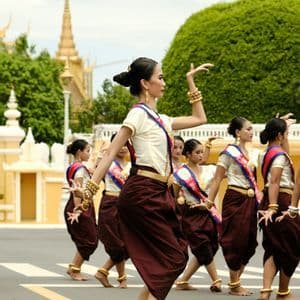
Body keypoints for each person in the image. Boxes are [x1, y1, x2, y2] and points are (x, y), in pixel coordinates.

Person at [72, 57, 213, 300]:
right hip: (142, 192)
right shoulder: (137, 114)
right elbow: (111, 153)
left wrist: (191, 82)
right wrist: (90, 188)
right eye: (160, 77)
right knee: (173, 257)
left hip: (161, 192)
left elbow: (200, 119)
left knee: (177, 254)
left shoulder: (163, 120)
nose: (164, 82)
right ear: (145, 84)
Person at [205, 116, 261, 296]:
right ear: (238, 132)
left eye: (252, 129)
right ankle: (234, 284)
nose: (251, 132)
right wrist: (210, 201)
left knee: (250, 242)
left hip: (251, 201)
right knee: (235, 240)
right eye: (248, 129)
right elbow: (217, 179)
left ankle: (235, 281)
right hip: (235, 198)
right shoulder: (228, 153)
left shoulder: (253, 152)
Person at [258, 116, 300, 300]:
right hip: (281, 200)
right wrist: (274, 207)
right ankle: (283, 292)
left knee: (272, 246)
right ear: (279, 135)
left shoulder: (266, 153)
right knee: (290, 248)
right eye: (286, 134)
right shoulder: (279, 156)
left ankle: (266, 291)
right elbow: (275, 181)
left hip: (268, 199)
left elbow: (286, 157)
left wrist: (283, 128)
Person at [173, 139, 222, 292]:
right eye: (197, 152)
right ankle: (217, 280)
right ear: (188, 154)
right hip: (191, 215)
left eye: (202, 152)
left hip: (208, 213)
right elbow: (172, 197)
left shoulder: (209, 170)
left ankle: (183, 281)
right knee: (202, 246)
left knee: (211, 247)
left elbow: (224, 175)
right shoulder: (180, 174)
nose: (201, 155)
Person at [96, 133, 130, 288]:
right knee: (117, 243)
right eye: (120, 143)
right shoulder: (107, 162)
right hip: (110, 203)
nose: (123, 147)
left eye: (126, 144)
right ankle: (121, 278)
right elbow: (93, 172)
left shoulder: (133, 165)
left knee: (128, 242)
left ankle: (105, 272)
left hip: (127, 206)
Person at [64, 139, 98, 281]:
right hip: (80, 206)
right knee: (89, 240)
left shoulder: (74, 167)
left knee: (88, 238)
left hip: (82, 205)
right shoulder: (79, 169)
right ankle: (75, 270)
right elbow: (77, 191)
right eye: (87, 151)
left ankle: (73, 267)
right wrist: (79, 209)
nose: (89, 154)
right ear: (79, 152)